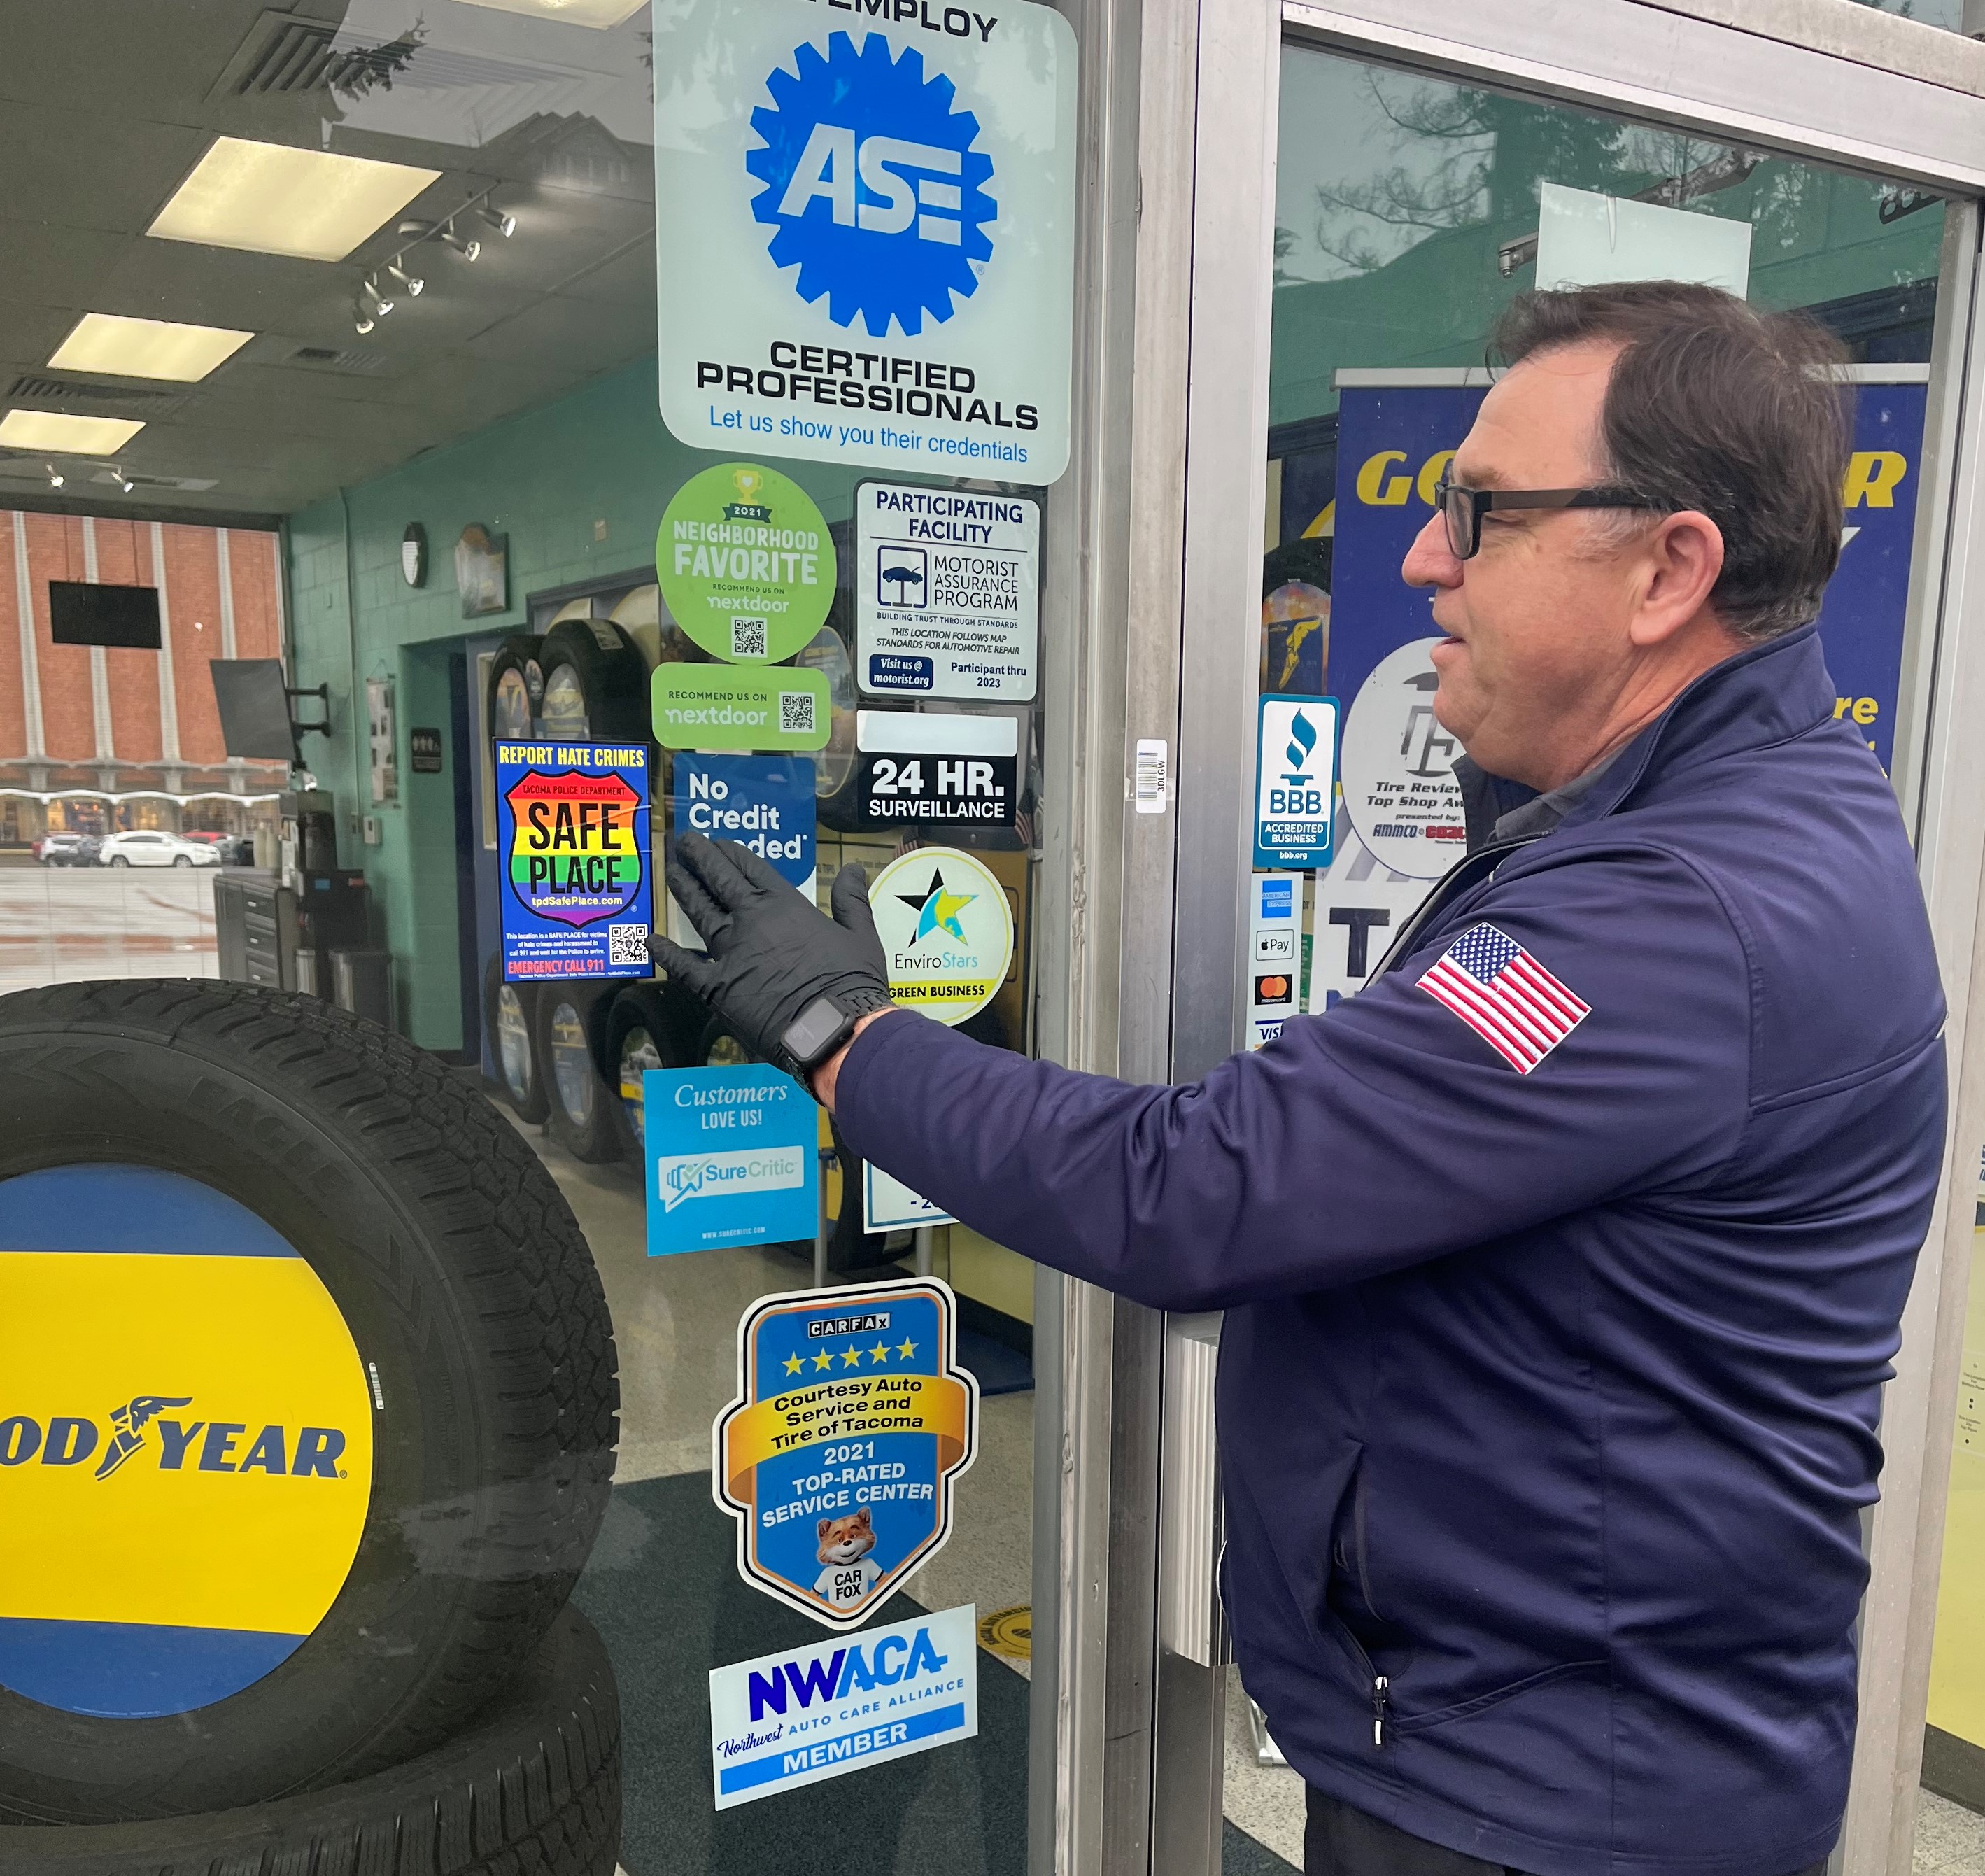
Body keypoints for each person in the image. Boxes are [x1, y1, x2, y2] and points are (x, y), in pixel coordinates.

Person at [649, 282, 1947, 1876]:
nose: (1418, 558)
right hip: (1562, 1742)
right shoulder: (1712, 821)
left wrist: (844, 1034)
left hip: (1558, 1803)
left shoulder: (1673, 915)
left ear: (1669, 570)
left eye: (1482, 513)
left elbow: (1196, 1187)